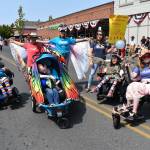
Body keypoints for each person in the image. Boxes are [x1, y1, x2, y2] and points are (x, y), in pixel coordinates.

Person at [124, 48, 150, 120]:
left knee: (137, 87)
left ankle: (134, 112)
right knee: (131, 85)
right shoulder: (140, 67)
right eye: (144, 57)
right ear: (142, 59)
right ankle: (129, 106)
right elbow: (133, 76)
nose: (146, 58)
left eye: (148, 56)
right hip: (143, 84)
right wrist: (127, 67)